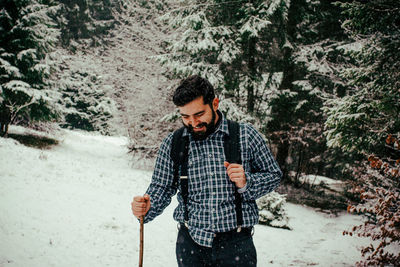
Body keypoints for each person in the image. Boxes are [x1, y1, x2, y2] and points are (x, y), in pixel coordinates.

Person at [131, 75, 282, 266]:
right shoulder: (174, 143)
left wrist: (246, 182)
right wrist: (146, 207)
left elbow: (273, 175)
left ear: (215, 103)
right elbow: (161, 187)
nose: (193, 123)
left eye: (199, 114)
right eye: (186, 117)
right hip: (191, 246)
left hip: (236, 246)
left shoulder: (245, 135)